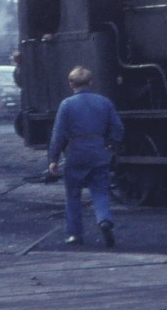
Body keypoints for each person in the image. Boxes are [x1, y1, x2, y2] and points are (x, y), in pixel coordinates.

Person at [48, 65, 124, 247]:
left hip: (75, 153)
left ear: (71, 84)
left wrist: (53, 159)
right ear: (90, 82)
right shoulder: (104, 102)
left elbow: (58, 134)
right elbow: (118, 128)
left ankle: (74, 234)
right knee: (100, 191)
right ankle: (104, 220)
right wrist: (110, 144)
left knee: (73, 194)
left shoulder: (66, 105)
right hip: (98, 151)